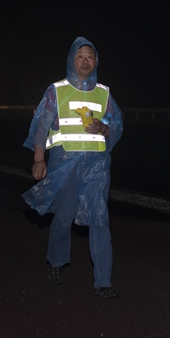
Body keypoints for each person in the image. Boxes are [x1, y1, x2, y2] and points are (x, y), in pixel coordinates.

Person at [23, 37, 124, 299]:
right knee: (64, 216)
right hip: (64, 163)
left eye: (90, 56)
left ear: (96, 61)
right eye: (80, 56)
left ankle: (103, 281)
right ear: (71, 60)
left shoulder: (104, 93)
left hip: (97, 166)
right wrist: (38, 159)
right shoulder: (56, 91)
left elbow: (115, 125)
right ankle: (56, 262)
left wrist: (103, 128)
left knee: (100, 218)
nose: (85, 61)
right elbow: (41, 126)